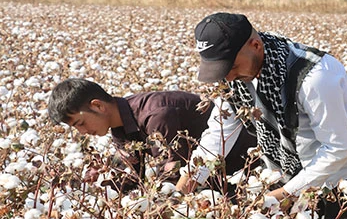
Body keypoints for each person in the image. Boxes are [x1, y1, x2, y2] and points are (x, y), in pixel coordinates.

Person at [176, 12, 347, 219]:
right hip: (299, 175)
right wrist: (182, 189)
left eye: (231, 67)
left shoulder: (313, 76)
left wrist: (285, 193)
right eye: (221, 70)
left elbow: (338, 148)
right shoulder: (234, 80)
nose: (229, 77)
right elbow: (219, 131)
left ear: (255, 46)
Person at [47, 78, 255, 191]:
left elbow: (172, 176)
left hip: (248, 170)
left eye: (80, 123)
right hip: (211, 180)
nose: (83, 132)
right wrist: (84, 190)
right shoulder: (120, 128)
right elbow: (128, 177)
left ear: (98, 106)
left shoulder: (156, 115)